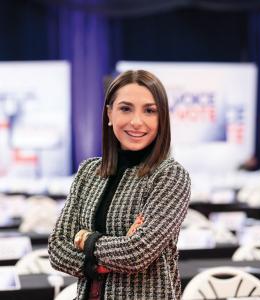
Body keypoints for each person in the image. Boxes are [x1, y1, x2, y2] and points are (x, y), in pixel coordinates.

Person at [48, 70, 191, 300]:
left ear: (162, 118)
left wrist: (86, 239)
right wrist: (110, 256)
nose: (136, 121)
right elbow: (57, 250)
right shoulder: (88, 172)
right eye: (125, 108)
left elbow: (137, 253)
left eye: (150, 111)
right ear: (109, 114)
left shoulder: (169, 176)